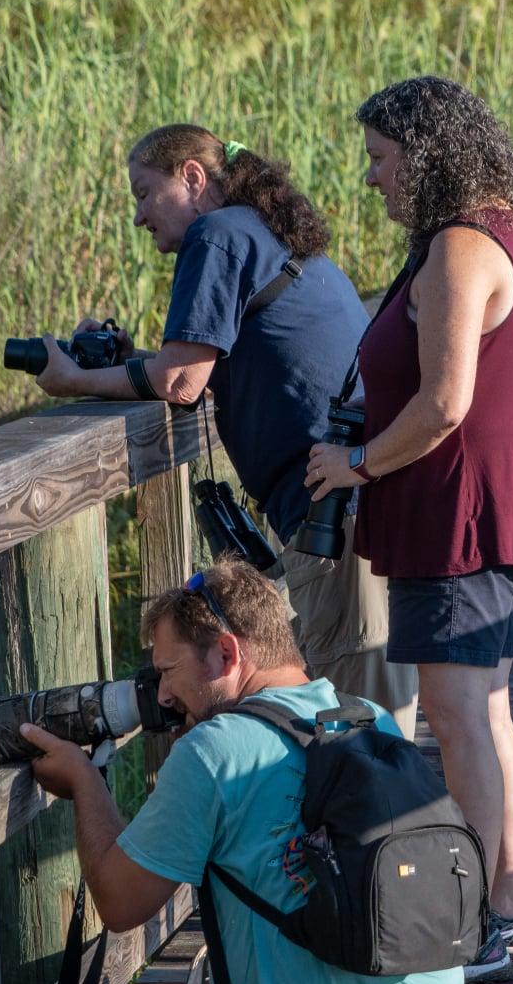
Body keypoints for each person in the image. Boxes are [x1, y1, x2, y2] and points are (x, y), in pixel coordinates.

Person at [305, 76, 513, 984]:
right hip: (486, 509)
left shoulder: (460, 246)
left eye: (383, 160)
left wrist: (354, 467)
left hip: (461, 516)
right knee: (486, 713)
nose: (372, 179)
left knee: (457, 715)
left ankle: (489, 920)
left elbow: (444, 404)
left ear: (428, 156)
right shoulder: (508, 229)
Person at [23, 558, 470, 984]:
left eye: (169, 671)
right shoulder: (372, 719)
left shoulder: (215, 749)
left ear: (228, 655)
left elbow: (119, 904)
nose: (160, 695)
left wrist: (84, 783)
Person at [29, 125, 418, 739]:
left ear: (191, 177)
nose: (138, 217)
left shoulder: (216, 235)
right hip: (361, 503)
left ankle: (384, 836)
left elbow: (182, 379)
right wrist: (128, 364)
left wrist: (73, 377)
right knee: (361, 707)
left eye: (143, 193)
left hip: (337, 513)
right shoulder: (263, 233)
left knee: (358, 728)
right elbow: (218, 361)